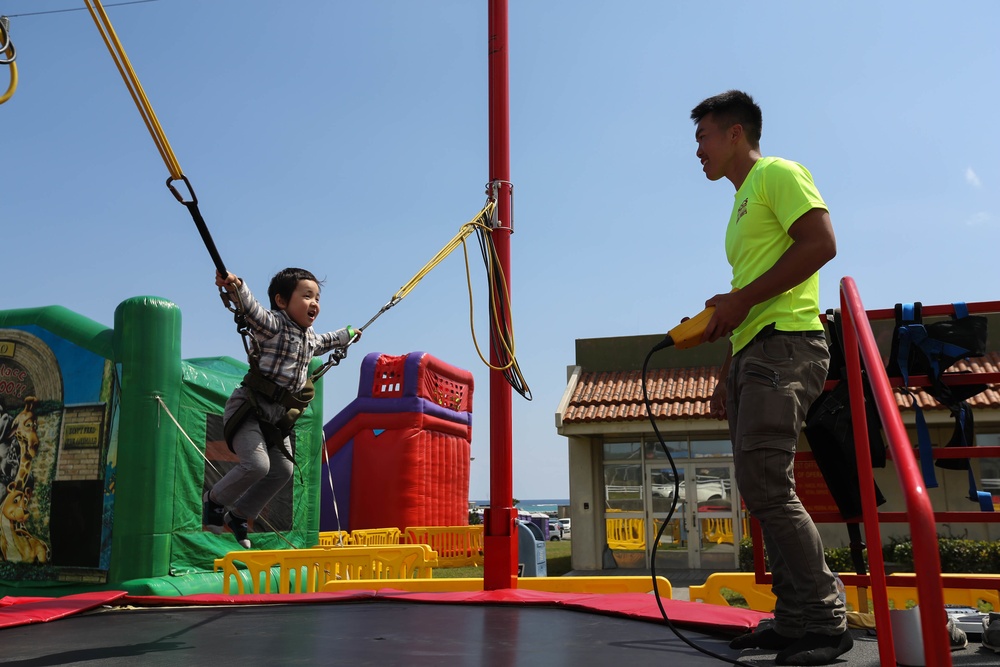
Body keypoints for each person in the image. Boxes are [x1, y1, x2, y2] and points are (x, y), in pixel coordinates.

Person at [690, 90, 851, 665]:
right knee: (761, 490)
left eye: (703, 137)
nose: (698, 151)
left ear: (736, 134)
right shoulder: (738, 208)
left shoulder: (777, 173)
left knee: (766, 486)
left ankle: (826, 622)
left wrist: (741, 301)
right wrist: (727, 367)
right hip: (756, 351)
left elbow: (822, 244)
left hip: (788, 345)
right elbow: (749, 295)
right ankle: (794, 619)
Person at [203, 267, 359, 548]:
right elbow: (252, 309)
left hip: (277, 419)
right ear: (282, 301)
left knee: (282, 471)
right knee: (258, 465)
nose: (314, 303)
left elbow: (327, 341)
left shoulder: (309, 338)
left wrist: (348, 333)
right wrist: (236, 287)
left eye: (317, 298)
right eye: (307, 296)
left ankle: (239, 516)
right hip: (249, 410)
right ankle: (214, 500)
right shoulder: (273, 325)